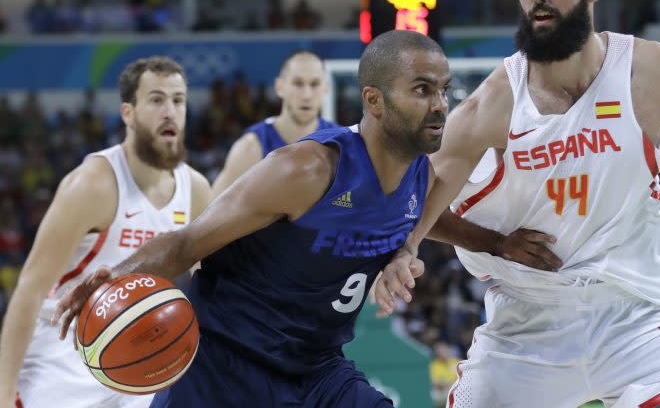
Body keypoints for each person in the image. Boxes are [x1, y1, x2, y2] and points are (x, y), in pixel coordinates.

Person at [374, 0, 660, 408]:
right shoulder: (494, 103)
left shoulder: (654, 73)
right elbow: (415, 205)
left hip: (637, 313)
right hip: (527, 324)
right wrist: (418, 250)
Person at [52, 30, 495, 408]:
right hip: (223, 365)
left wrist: (496, 244)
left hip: (316, 368)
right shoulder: (306, 169)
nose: (440, 104)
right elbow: (187, 244)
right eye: (422, 90)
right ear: (374, 101)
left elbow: (431, 218)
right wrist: (112, 282)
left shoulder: (421, 178)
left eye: (444, 89)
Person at [0, 57, 212, 408]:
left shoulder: (197, 190)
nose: (170, 111)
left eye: (178, 100)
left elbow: (210, 288)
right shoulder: (92, 184)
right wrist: (4, 393)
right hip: (64, 352)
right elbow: (30, 290)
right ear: (128, 113)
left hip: (143, 351)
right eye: (156, 99)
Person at [212, 50, 336, 197]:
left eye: (314, 84)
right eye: (298, 83)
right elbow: (209, 210)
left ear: (326, 87)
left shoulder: (340, 144)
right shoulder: (251, 147)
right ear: (279, 87)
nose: (306, 95)